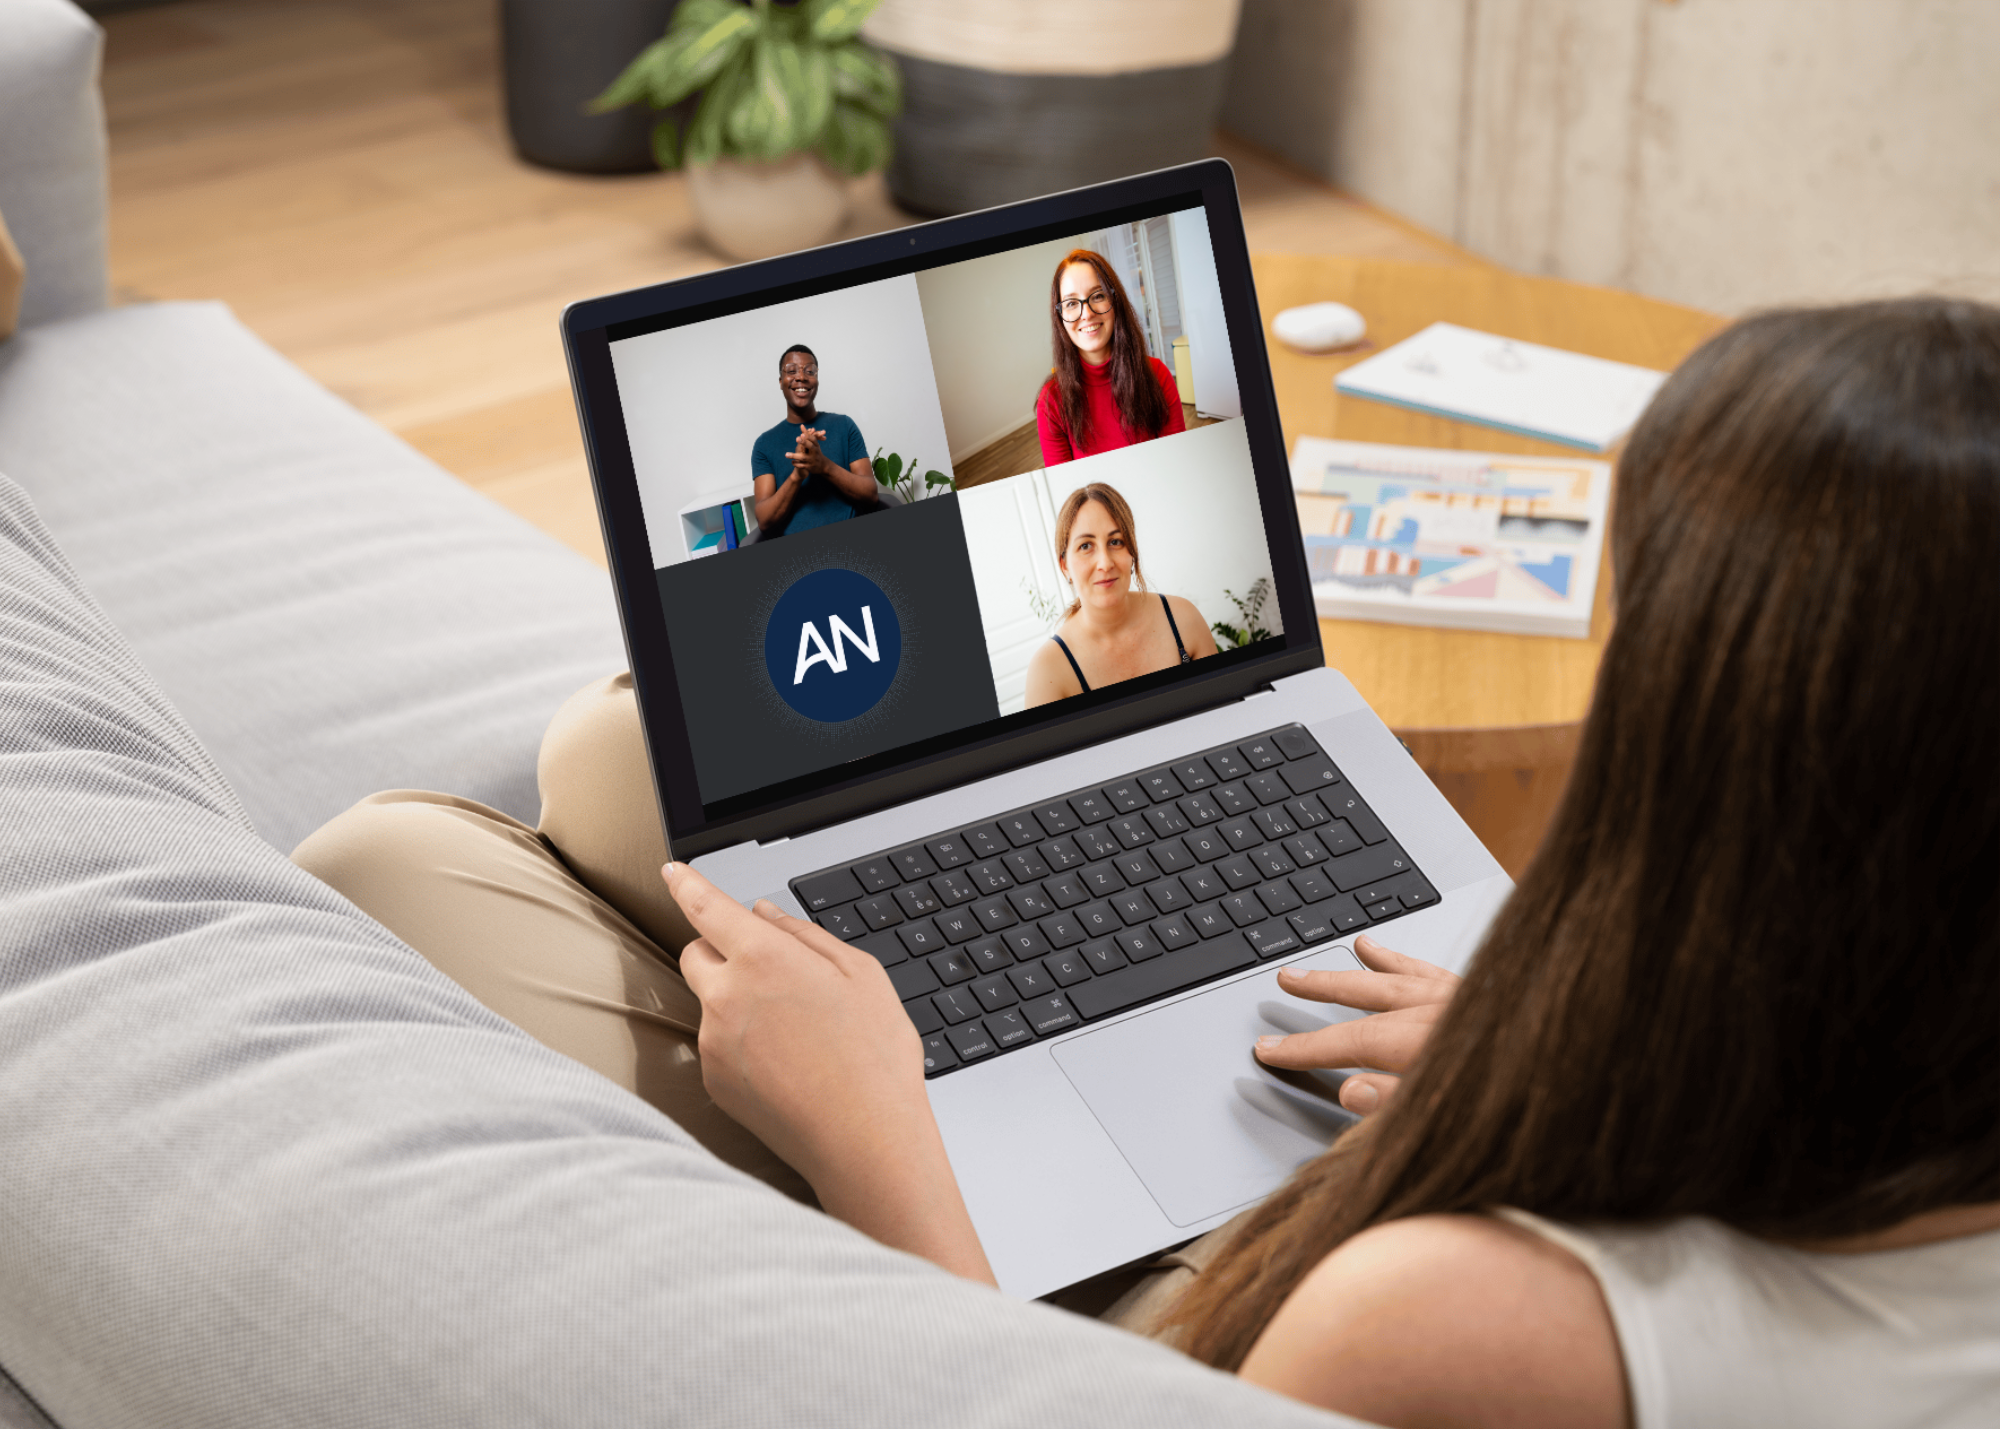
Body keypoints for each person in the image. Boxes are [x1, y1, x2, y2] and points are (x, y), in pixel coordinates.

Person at [295, 298, 2000, 1426]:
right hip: (1453, 1160)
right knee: (613, 758)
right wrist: (1564, 1055)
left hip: (1061, 1323)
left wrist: (881, 1140)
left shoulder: (1463, 1322)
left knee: (391, 862)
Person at [1022, 481, 1219, 708]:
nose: (1105, 563)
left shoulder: (1184, 618)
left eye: (1116, 542)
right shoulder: (1048, 670)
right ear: (1064, 565)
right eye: (1086, 546)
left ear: (1132, 552)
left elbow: (1224, 709)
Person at [1035, 249, 1186, 466]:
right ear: (1060, 318)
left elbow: (1178, 462)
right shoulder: (1051, 403)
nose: (1086, 313)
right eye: (1071, 303)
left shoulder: (1157, 375)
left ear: (1115, 301)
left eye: (1097, 296)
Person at [751, 343, 878, 538]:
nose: (801, 377)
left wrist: (824, 466)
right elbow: (764, 520)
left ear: (816, 379)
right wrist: (797, 475)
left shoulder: (844, 425)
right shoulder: (764, 444)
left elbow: (871, 494)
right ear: (780, 381)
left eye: (809, 371)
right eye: (791, 371)